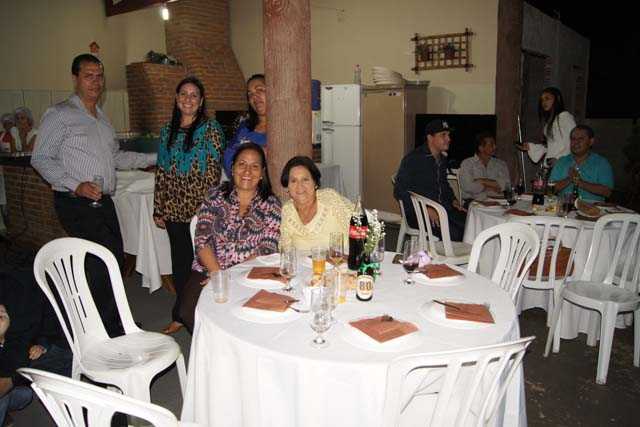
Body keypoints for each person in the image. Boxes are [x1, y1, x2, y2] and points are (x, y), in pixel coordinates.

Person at [31, 53, 156, 337]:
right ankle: (104, 329)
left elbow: (116, 158)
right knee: (100, 263)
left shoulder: (101, 119)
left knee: (112, 259)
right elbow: (41, 158)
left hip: (103, 201)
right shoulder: (60, 115)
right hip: (76, 202)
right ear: (75, 78)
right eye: (88, 75)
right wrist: (75, 184)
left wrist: (154, 158)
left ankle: (113, 322)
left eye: (99, 76)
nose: (95, 82)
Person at [179, 143, 281, 331]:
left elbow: (267, 248)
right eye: (242, 164)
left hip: (248, 274)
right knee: (188, 312)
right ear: (232, 168)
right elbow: (202, 240)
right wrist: (219, 275)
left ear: (262, 173)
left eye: (255, 166)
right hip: (209, 269)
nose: (247, 171)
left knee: (244, 321)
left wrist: (233, 275)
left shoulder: (271, 204)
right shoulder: (215, 195)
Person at [153, 76, 226, 335]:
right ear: (176, 99)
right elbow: (161, 171)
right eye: (183, 94)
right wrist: (158, 207)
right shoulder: (167, 131)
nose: (188, 99)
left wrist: (206, 207)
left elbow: (213, 173)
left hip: (199, 209)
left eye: (194, 95)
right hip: (173, 207)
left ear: (201, 101)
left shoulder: (211, 129)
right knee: (180, 262)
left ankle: (205, 316)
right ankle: (181, 315)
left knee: (203, 263)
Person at [393, 119, 467, 241]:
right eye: (443, 135)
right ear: (430, 138)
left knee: (469, 225)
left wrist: (453, 200)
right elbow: (399, 190)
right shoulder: (413, 159)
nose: (448, 139)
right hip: (418, 213)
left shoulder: (441, 158)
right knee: (456, 234)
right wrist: (426, 209)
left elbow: (444, 184)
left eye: (448, 135)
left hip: (442, 209)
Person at [280, 156, 353, 251]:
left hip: (342, 259)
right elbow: (285, 250)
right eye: (293, 181)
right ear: (287, 187)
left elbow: (359, 227)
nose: (299, 186)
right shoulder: (288, 210)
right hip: (303, 261)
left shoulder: (330, 199)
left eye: (305, 180)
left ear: (315, 183)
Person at [549, 125, 613, 202]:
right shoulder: (562, 161)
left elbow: (607, 192)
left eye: (581, 139)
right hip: (565, 205)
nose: (576, 142)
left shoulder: (601, 163)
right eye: (573, 139)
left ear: (591, 141)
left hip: (591, 207)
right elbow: (550, 189)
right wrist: (569, 179)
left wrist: (579, 182)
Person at [518, 87, 576, 166]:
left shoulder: (565, 117)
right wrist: (530, 147)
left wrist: (560, 160)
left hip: (562, 165)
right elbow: (551, 146)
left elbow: (574, 141)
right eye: (542, 100)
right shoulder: (550, 122)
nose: (544, 102)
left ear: (557, 99)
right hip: (551, 164)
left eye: (547, 98)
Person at [223, 74, 267, 177]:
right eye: (250, 94)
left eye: (259, 90)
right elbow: (227, 155)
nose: (254, 97)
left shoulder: (282, 129)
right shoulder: (245, 126)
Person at [0, 304, 33, 427]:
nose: (0, 314)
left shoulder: (17, 343)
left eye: (3, 312)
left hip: (6, 389)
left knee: (26, 395)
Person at [458, 131, 511, 201]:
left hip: (497, 201)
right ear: (481, 148)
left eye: (494, 144)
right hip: (474, 201)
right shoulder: (467, 163)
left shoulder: (501, 164)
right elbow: (468, 186)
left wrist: (482, 180)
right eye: (491, 144)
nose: (495, 147)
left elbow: (506, 184)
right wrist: (488, 187)